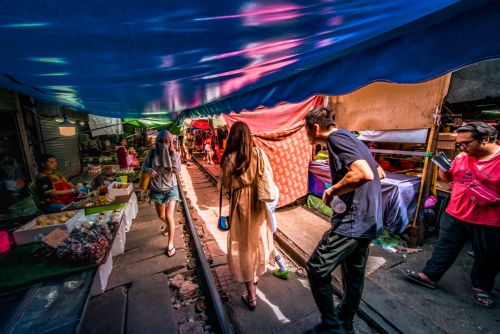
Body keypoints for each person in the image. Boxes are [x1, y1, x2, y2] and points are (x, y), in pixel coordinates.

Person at [304, 106, 384, 334]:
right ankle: (346, 322)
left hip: (353, 221)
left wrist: (333, 191)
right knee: (353, 274)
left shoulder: (336, 139)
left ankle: (332, 327)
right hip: (369, 221)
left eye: (306, 130)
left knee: (316, 268)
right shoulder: (352, 138)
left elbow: (364, 174)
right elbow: (379, 173)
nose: (306, 135)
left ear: (315, 127)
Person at [405, 122, 500, 309]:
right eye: (459, 144)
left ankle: (482, 287)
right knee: (444, 247)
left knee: (487, 256)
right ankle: (429, 276)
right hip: (455, 213)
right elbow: (448, 178)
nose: (461, 147)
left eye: (465, 143)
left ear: (485, 139)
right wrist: (443, 167)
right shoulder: (463, 157)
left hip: (489, 221)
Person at [219, 121, 275, 311]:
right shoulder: (258, 153)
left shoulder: (230, 158)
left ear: (233, 137)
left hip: (241, 205)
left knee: (243, 247)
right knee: (254, 239)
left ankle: (251, 295)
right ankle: (254, 273)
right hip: (257, 203)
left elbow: (225, 185)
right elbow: (268, 176)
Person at [142, 130, 181, 257]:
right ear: (157, 142)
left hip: (171, 188)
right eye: (161, 142)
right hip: (156, 190)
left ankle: (170, 243)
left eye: (166, 142)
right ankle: (168, 227)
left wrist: (173, 155)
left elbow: (177, 170)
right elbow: (144, 166)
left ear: (170, 143)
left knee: (169, 216)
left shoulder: (173, 153)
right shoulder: (152, 153)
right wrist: (149, 170)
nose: (164, 144)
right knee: (161, 216)